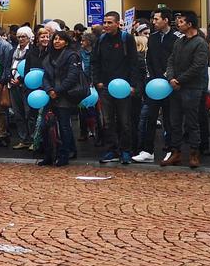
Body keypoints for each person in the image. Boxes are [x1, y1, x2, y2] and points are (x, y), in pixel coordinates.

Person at [90, 11, 141, 163]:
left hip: (123, 87)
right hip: (105, 87)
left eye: (109, 22)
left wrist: (133, 85)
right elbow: (95, 62)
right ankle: (112, 150)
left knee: (125, 121)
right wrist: (97, 81)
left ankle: (126, 150)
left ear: (118, 23)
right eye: (104, 22)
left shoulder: (127, 39)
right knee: (108, 121)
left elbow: (134, 63)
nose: (106, 25)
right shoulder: (100, 40)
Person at [161, 11, 208, 168]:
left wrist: (179, 80)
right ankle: (176, 152)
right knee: (174, 121)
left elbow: (198, 66)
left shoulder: (200, 43)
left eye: (181, 22)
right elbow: (171, 60)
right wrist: (171, 78)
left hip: (192, 88)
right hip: (175, 88)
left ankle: (194, 153)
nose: (178, 24)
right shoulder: (179, 42)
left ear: (189, 24)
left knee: (192, 122)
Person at [133, 9, 179, 163]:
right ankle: (147, 150)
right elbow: (150, 59)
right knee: (150, 118)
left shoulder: (177, 38)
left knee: (169, 119)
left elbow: (176, 60)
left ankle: (170, 149)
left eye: (157, 19)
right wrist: (153, 77)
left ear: (166, 20)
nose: (154, 22)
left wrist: (169, 76)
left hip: (170, 84)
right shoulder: (152, 38)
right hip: (154, 84)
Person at [37, 29, 81, 167]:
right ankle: (48, 155)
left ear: (66, 42)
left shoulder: (72, 56)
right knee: (44, 126)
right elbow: (45, 76)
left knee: (64, 127)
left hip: (65, 96)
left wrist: (58, 90)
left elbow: (72, 77)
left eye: (60, 39)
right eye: (55, 39)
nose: (57, 41)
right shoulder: (49, 56)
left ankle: (64, 155)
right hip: (50, 96)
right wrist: (49, 89)